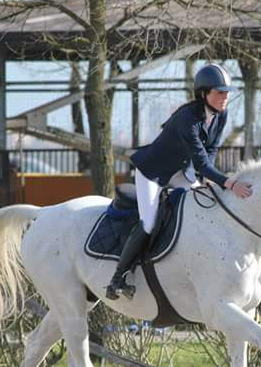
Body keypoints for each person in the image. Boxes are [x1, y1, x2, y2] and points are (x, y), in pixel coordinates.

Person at [105, 63, 253, 300]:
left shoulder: (221, 115)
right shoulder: (187, 119)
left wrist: (206, 180)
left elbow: (211, 151)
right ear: (204, 94)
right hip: (152, 173)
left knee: (202, 207)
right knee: (149, 223)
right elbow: (202, 162)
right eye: (219, 92)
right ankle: (117, 279)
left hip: (180, 173)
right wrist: (230, 184)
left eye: (226, 92)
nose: (225, 97)